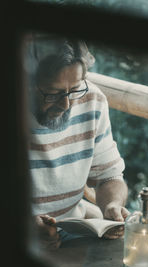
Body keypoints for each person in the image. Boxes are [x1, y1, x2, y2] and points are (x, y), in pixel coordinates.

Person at [27, 36, 129, 249]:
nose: (66, 104)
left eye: (74, 89)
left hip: (75, 233)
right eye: (53, 93)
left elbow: (109, 175)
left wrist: (112, 204)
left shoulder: (92, 99)